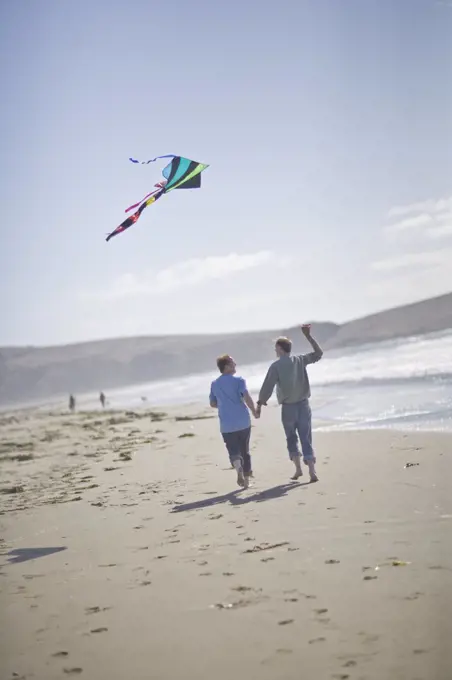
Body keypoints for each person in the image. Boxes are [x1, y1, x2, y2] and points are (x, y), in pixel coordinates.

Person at [256, 324, 323, 482]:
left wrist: (260, 403)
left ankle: (299, 469)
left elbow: (267, 386)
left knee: (291, 437)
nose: (274, 350)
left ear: (280, 348)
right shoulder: (300, 360)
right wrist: (308, 336)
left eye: (275, 348)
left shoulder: (276, 366)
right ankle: (312, 471)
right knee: (306, 436)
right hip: (304, 405)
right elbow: (318, 354)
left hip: (288, 408)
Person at [209, 354, 259, 489]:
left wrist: (224, 403)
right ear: (226, 366)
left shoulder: (214, 384)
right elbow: (247, 397)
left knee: (233, 450)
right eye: (232, 363)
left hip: (226, 424)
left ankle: (238, 470)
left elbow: (213, 403)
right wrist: (254, 411)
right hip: (243, 421)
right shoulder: (239, 380)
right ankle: (247, 481)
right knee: (245, 450)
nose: (235, 365)